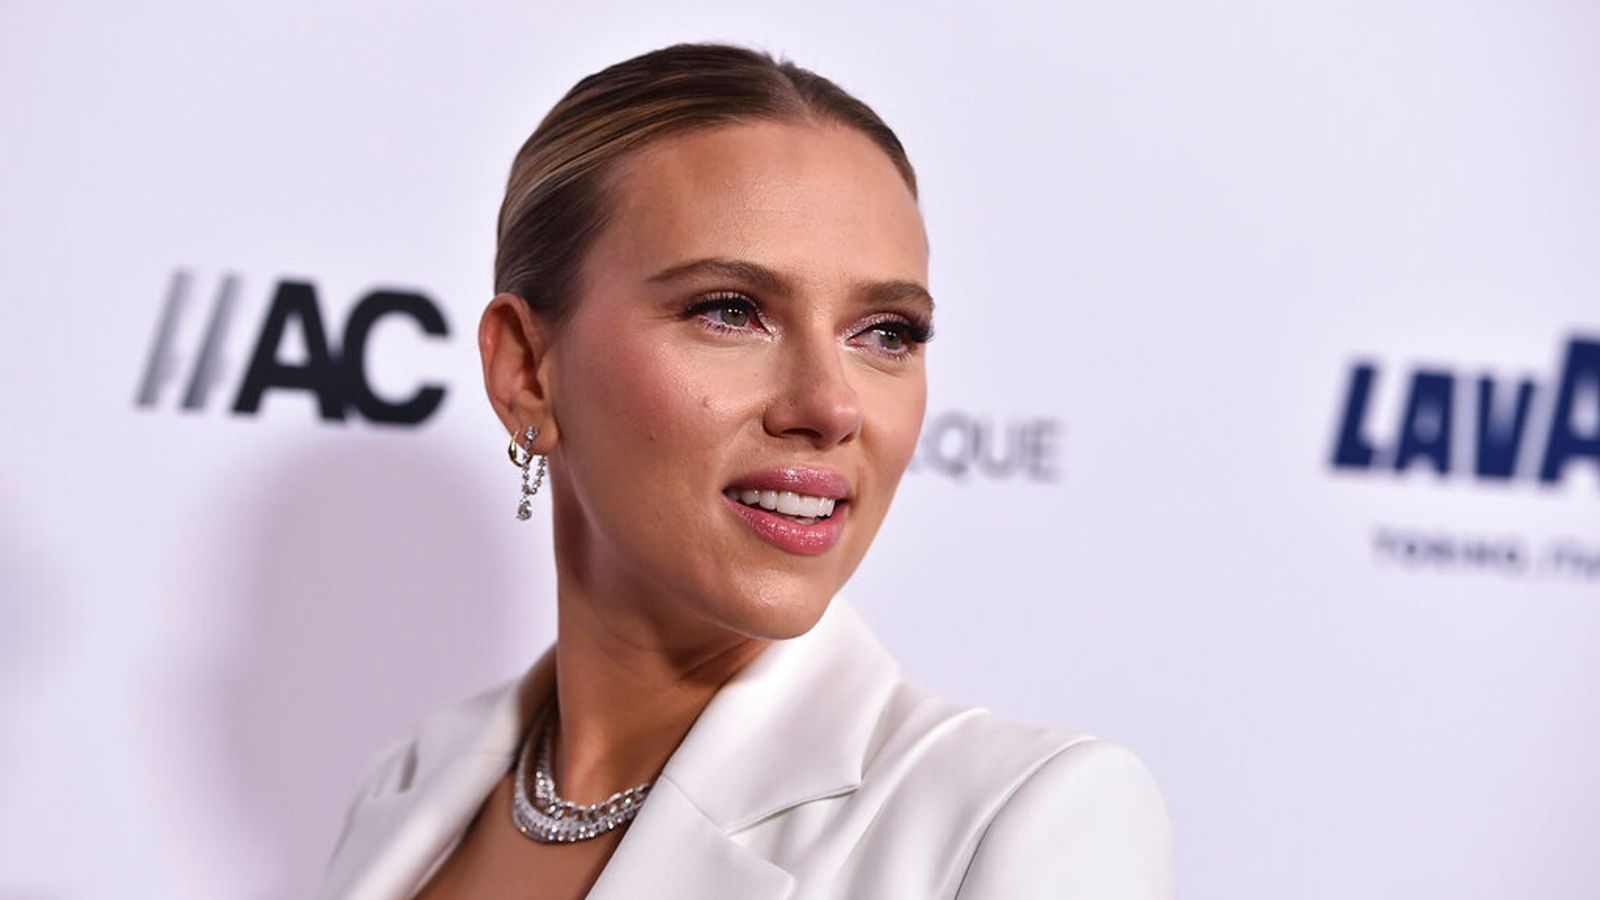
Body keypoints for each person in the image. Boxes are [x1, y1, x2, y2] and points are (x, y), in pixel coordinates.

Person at [318, 42, 1173, 900]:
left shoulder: (1014, 823)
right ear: (528, 371)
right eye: (732, 311)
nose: (830, 406)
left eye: (886, 331)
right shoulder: (407, 785)